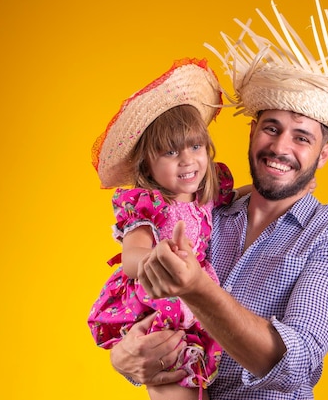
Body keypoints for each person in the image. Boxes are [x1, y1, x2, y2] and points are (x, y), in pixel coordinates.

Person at [109, 0, 328, 399]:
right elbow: (149, 313)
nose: (280, 148)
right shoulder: (204, 210)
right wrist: (125, 357)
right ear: (252, 131)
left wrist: (198, 288)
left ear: (323, 154)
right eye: (271, 128)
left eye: (302, 137)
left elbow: (297, 365)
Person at [87, 58, 248, 400]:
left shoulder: (206, 194)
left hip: (194, 297)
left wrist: (263, 192)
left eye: (195, 146)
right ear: (147, 163)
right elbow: (131, 254)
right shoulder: (148, 204)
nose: (188, 160)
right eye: (171, 152)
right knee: (171, 376)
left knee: (198, 381)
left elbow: (236, 196)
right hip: (159, 300)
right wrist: (155, 258)